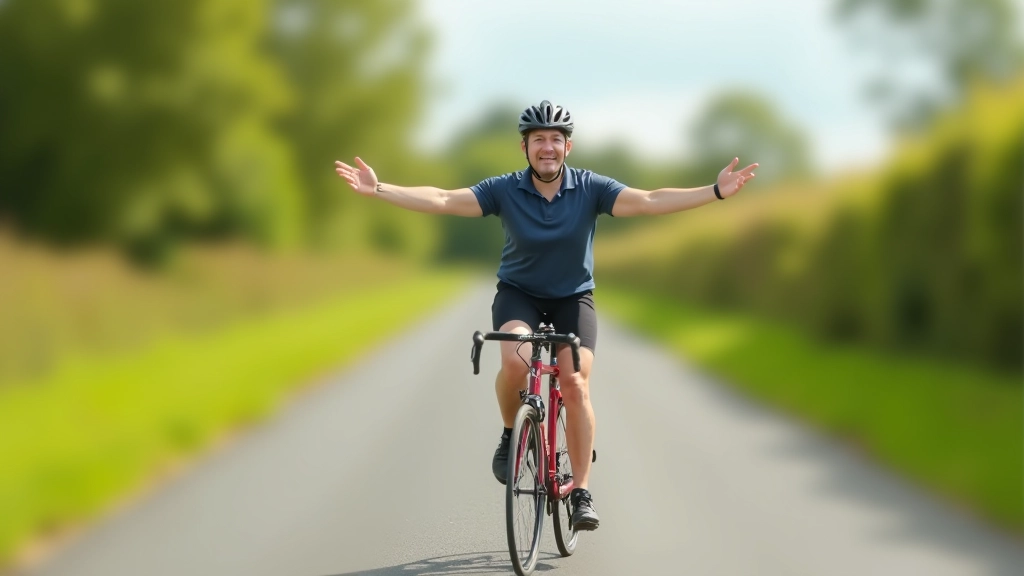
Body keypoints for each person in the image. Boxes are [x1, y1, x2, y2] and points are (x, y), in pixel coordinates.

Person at [335, 100, 757, 531]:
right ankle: (510, 433)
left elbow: (649, 200)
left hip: (573, 299)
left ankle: (581, 493)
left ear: (568, 147)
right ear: (525, 148)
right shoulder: (504, 189)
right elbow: (443, 198)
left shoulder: (591, 187)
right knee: (516, 363)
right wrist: (380, 188)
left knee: (575, 383)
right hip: (519, 295)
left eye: (556, 139)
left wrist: (715, 190)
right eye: (538, 139)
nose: (548, 147)